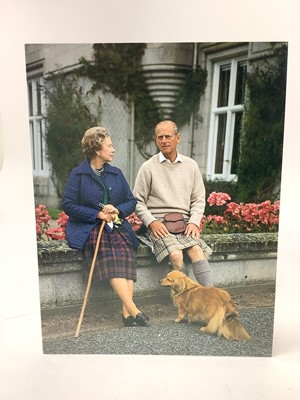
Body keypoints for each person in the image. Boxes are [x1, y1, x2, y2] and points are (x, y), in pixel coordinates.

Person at [62, 127, 149, 327]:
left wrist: (116, 210)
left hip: (116, 225)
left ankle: (127, 313)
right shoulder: (78, 174)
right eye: (109, 146)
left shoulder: (116, 173)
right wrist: (97, 214)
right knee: (109, 253)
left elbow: (130, 201)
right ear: (96, 149)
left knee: (127, 254)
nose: (113, 150)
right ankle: (134, 310)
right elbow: (68, 205)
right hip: (90, 226)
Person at [133, 120, 213, 286]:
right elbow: (137, 201)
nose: (164, 140)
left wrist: (193, 222)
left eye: (168, 136)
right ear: (156, 140)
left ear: (178, 138)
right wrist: (152, 222)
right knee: (176, 254)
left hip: (184, 224)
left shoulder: (191, 165)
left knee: (196, 251)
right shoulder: (148, 167)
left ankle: (211, 295)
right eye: (159, 137)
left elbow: (198, 198)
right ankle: (189, 299)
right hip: (159, 225)